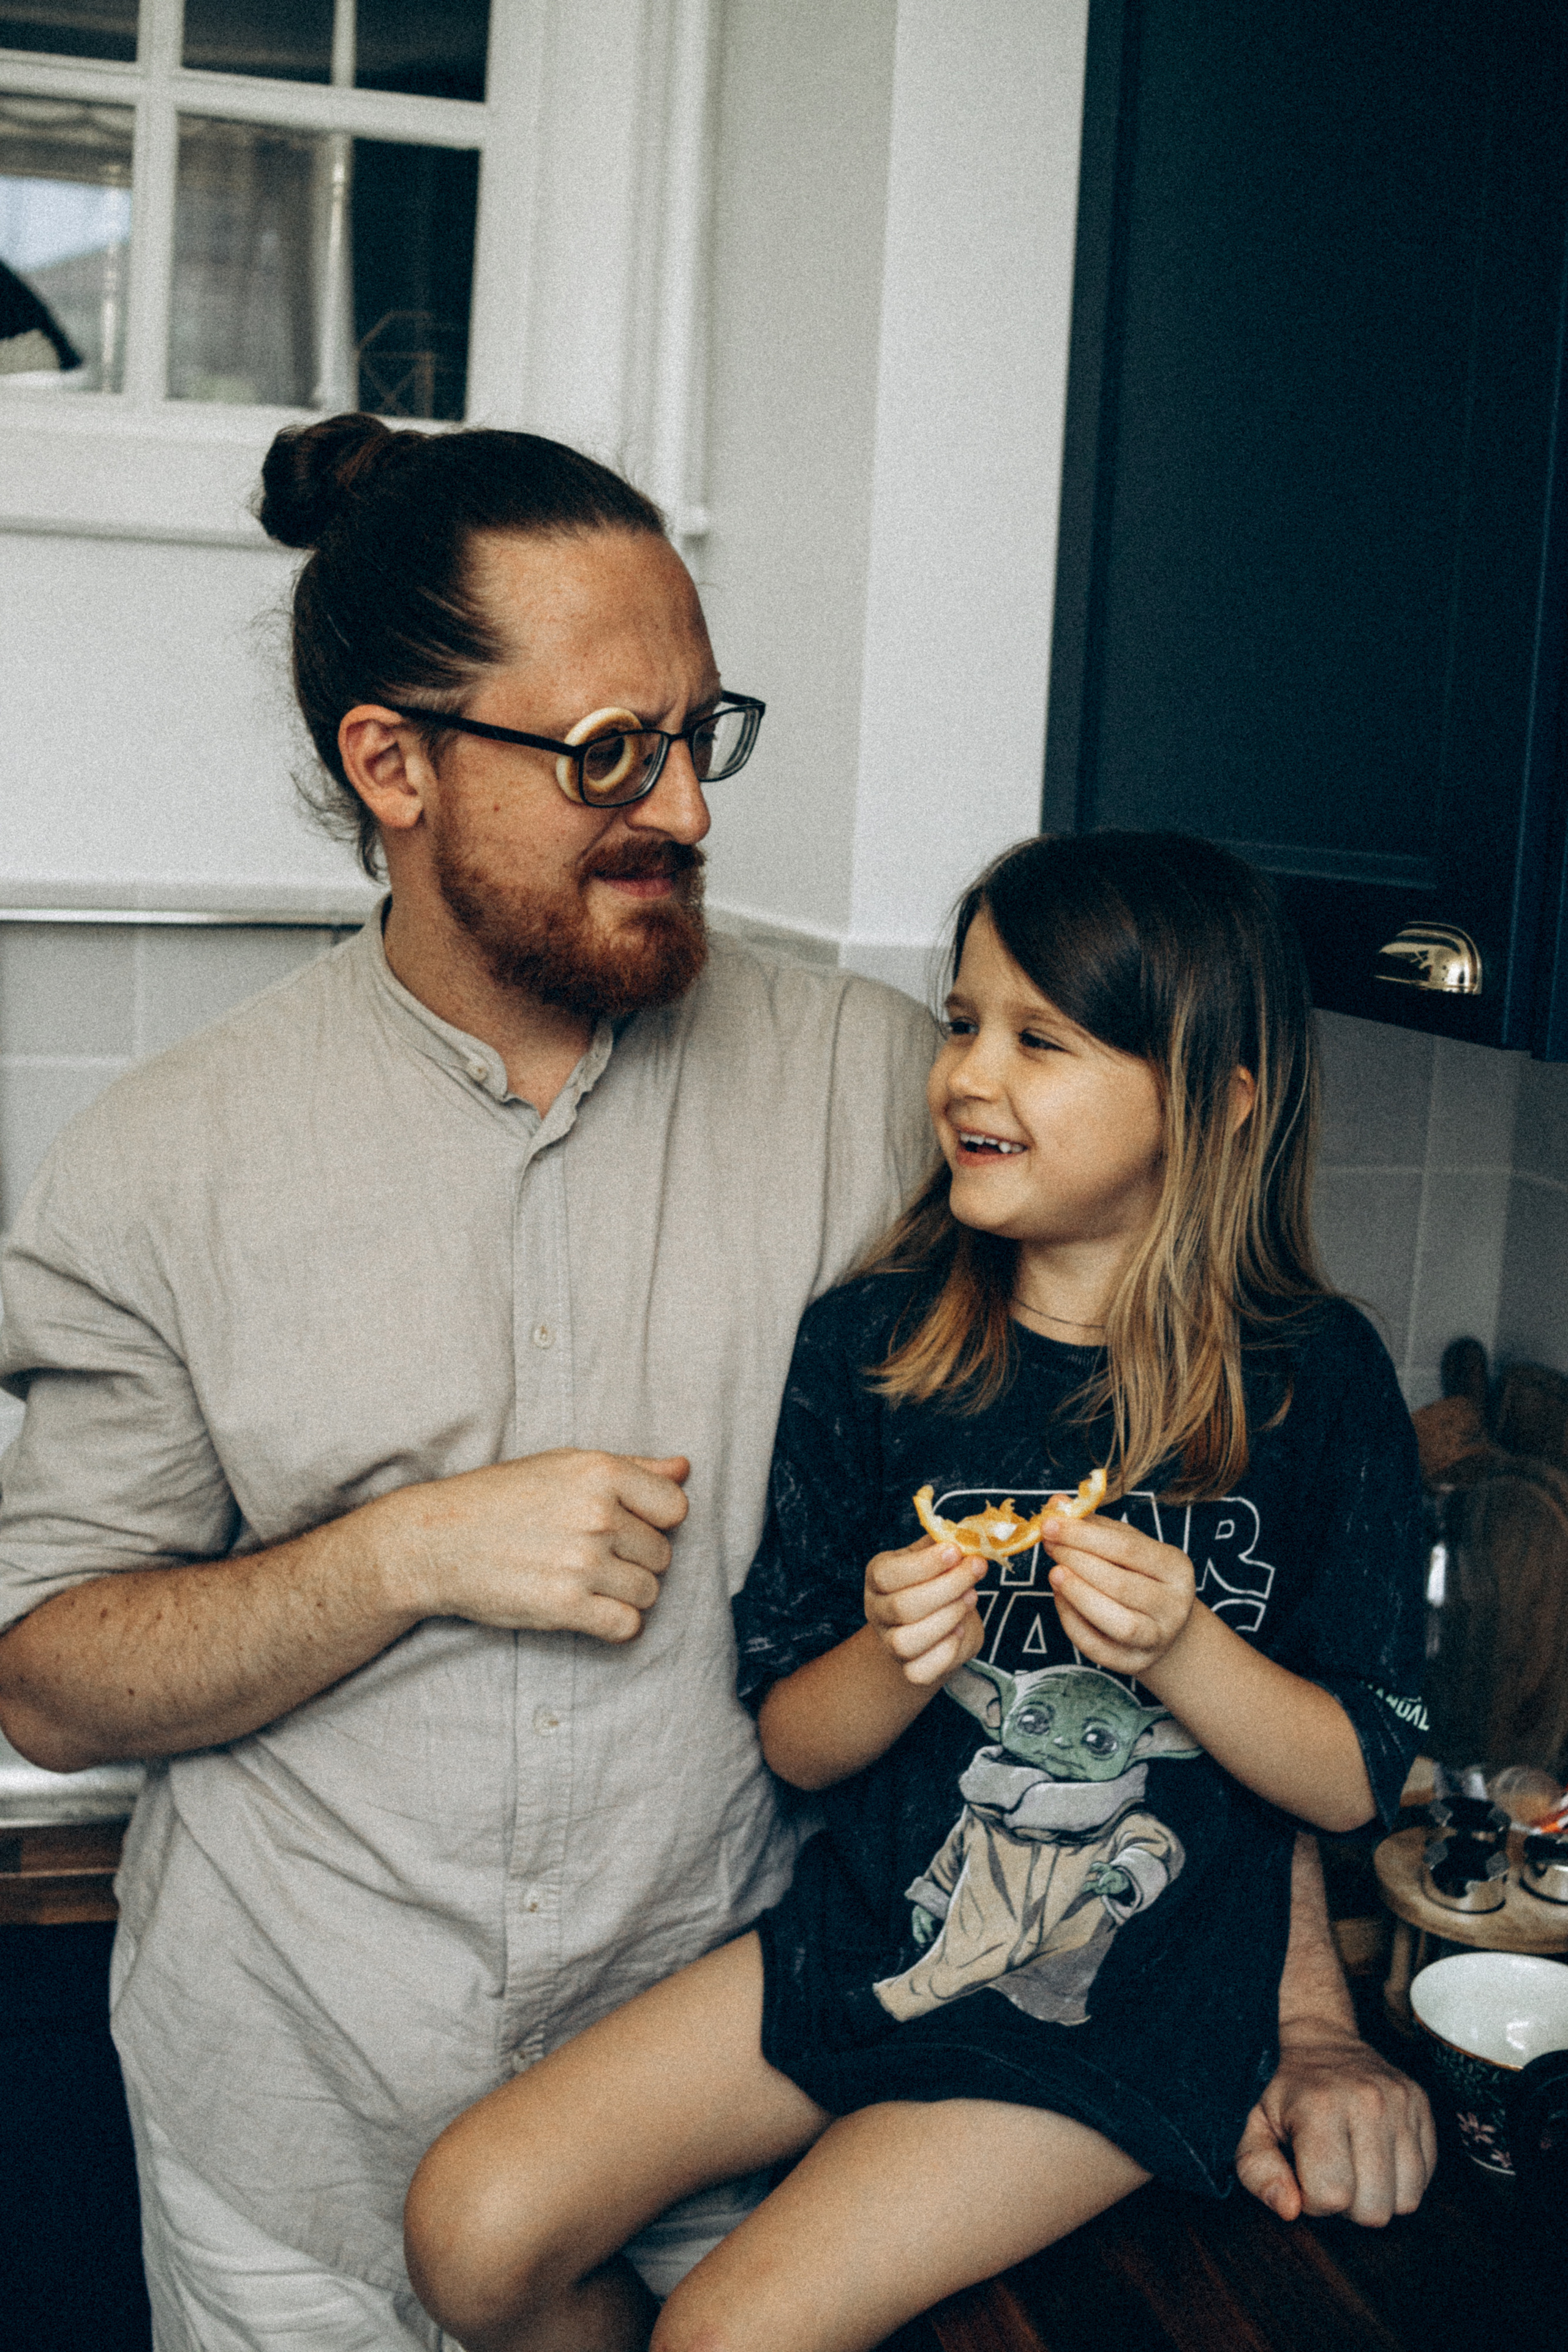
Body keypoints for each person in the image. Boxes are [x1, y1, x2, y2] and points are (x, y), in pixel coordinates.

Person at [0, 421, 1430, 2352]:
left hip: (765, 2120)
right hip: (301, 2158)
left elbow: (1208, 1498)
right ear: (392, 764)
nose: (679, 804)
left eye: (699, 734)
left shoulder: (895, 1092)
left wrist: (1312, 2018)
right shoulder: (160, 1166)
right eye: (607, 752)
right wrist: (399, 1557)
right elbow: (51, 1680)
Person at [402, 832, 1433, 2352]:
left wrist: (1184, 1648)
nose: (966, 1076)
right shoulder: (875, 1345)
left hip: (1116, 2014)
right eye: (959, 1024)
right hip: (870, 1941)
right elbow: (796, 1745)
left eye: (1040, 1040)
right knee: (469, 2233)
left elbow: (1353, 1781)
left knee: (726, 2337)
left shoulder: (1313, 1383)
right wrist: (893, 1653)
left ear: (1214, 1100)